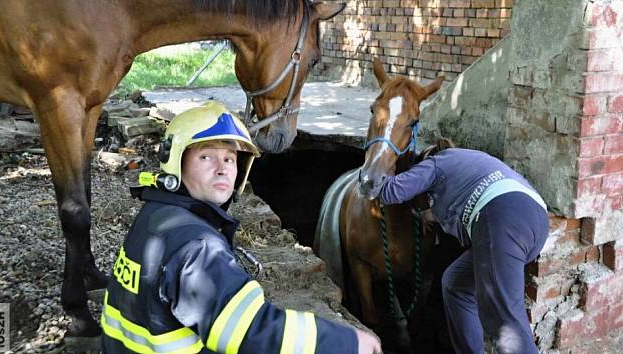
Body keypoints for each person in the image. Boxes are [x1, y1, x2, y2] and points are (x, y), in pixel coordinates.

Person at [101, 101, 382, 354]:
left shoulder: (155, 215)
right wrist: (346, 342)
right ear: (176, 160)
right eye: (206, 157)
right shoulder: (198, 246)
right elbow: (251, 330)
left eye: (230, 159)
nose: (222, 169)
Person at [379, 138, 548, 354]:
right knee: (456, 284)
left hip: (499, 219)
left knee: (506, 321)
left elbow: (390, 192)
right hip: (535, 220)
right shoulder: (473, 160)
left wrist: (382, 166)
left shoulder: (436, 163)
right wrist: (428, 213)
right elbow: (452, 205)